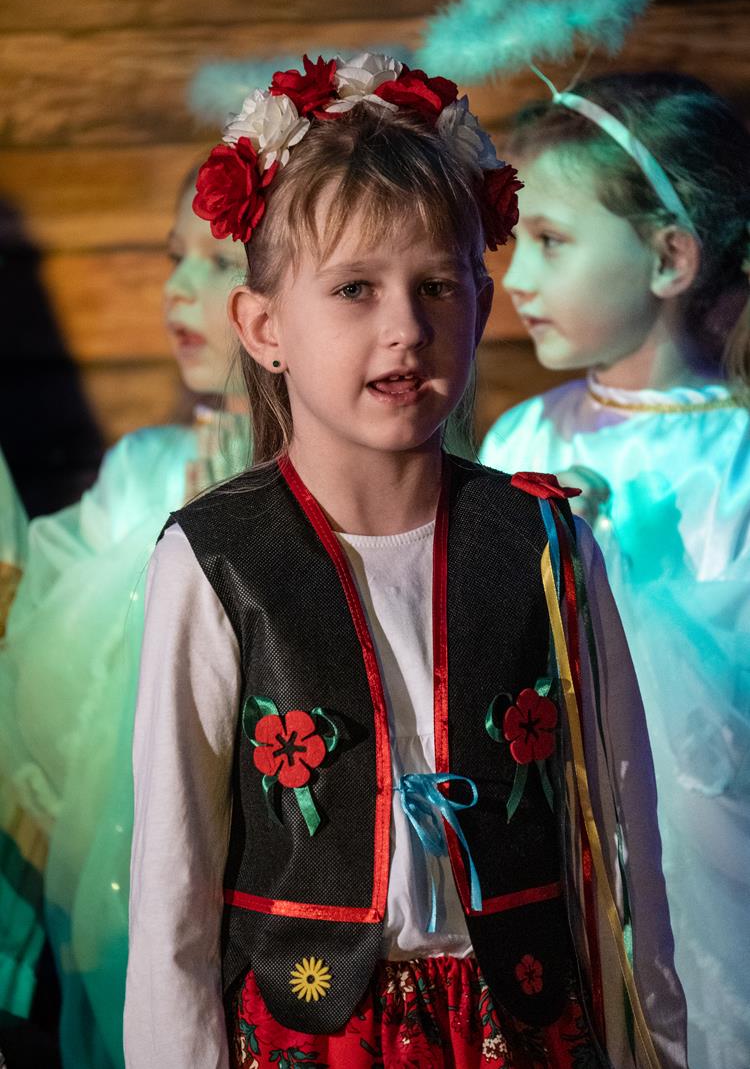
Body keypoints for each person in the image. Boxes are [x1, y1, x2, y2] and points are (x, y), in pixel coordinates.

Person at [125, 52, 687, 1069]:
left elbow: (621, 838)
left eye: (436, 285)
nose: (405, 329)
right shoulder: (217, 559)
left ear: (481, 301)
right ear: (263, 326)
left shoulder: (544, 539)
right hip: (311, 1034)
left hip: (526, 1026)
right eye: (354, 288)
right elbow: (174, 883)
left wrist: (655, 1041)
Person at [479, 70, 750, 1069]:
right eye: (518, 243)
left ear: (670, 257)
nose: (515, 278)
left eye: (552, 241)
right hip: (553, 852)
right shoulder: (519, 439)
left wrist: (614, 571)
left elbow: (729, 695)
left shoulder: (735, 457)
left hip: (698, 871)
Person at [0, 177, 251, 1068]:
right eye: (175, 257)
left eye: (218, 261)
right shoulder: (144, 465)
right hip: (129, 868)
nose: (178, 288)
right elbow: (45, 659)